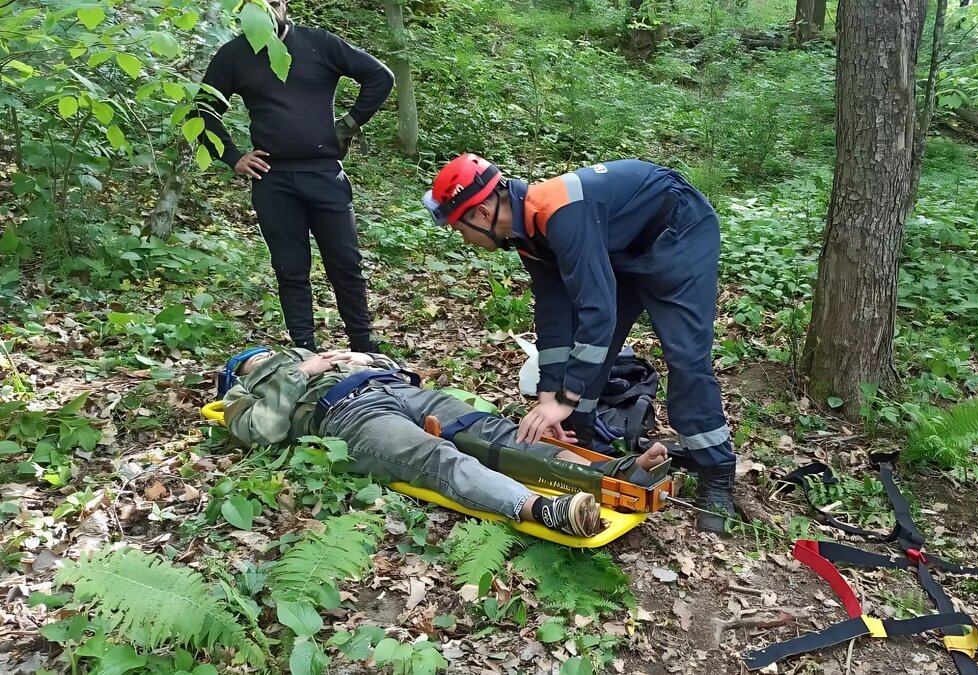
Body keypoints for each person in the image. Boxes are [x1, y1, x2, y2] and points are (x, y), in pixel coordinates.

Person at [421, 155, 737, 535]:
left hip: (676, 234)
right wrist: (549, 396)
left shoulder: (561, 214)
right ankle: (584, 451)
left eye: (458, 227)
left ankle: (717, 471)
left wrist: (566, 397)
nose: (462, 237)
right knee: (584, 350)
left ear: (483, 211)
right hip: (618, 246)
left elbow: (598, 314)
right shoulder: (527, 235)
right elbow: (555, 315)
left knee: (686, 355)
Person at [219, 347, 669, 538]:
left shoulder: (318, 354)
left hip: (396, 390)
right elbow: (263, 431)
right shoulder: (245, 391)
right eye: (256, 358)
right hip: (348, 413)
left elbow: (401, 367)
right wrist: (301, 373)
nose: (268, 354)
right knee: (436, 457)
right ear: (243, 370)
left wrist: (364, 358)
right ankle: (544, 510)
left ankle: (614, 472)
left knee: (495, 431)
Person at [196, 0, 393, 353]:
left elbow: (380, 76)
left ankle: (364, 347)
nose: (269, 10)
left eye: (274, 2)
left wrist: (347, 126)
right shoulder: (234, 55)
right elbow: (202, 111)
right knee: (290, 268)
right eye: (258, 4)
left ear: (285, 4)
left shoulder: (319, 43)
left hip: (324, 174)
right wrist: (232, 156)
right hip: (273, 180)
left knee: (345, 263)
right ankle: (304, 349)